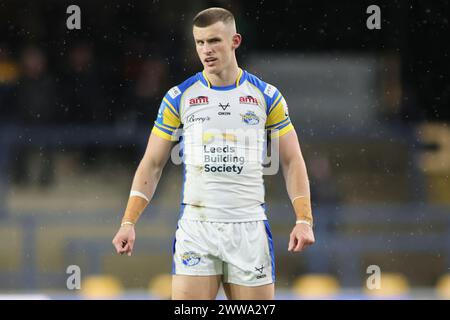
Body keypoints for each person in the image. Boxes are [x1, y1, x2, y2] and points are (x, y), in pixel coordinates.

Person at [112, 7, 315, 300]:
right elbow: (152, 164)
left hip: (248, 227)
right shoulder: (179, 97)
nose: (206, 50)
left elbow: (291, 160)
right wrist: (128, 223)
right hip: (198, 227)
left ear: (235, 41)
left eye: (214, 41)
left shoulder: (266, 96)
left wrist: (303, 219)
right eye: (200, 43)